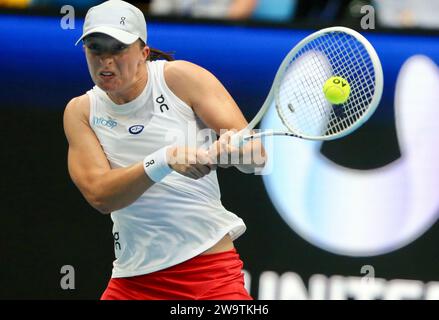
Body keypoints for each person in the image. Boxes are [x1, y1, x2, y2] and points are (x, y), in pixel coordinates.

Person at [63, 0, 266, 300]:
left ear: (143, 53)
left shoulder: (181, 78)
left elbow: (257, 157)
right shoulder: (81, 111)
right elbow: (100, 195)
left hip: (208, 275)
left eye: (117, 48)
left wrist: (235, 150)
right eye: (95, 48)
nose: (106, 60)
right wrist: (165, 160)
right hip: (131, 282)